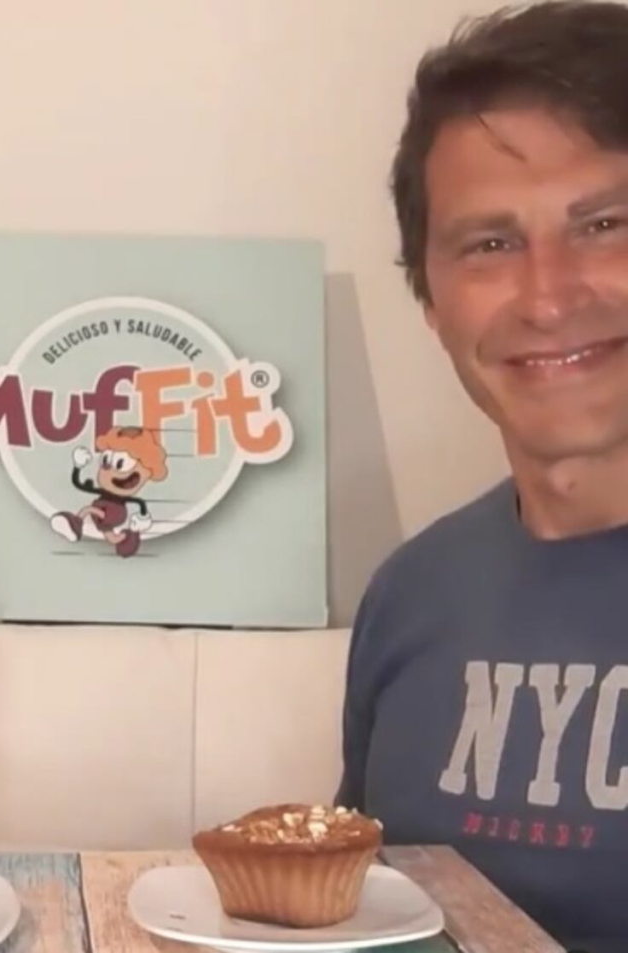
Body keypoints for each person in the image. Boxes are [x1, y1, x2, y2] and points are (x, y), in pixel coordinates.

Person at [336, 2, 628, 949]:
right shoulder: (410, 593)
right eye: (491, 244)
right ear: (431, 299)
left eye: (605, 223)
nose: (550, 296)